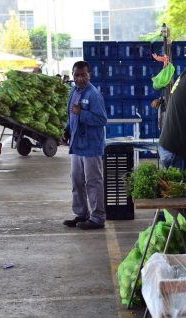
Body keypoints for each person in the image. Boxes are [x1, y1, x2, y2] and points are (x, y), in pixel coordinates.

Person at [61, 61, 108, 230]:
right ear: (73, 76)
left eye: (83, 75)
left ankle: (97, 218)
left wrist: (83, 113)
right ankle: (81, 214)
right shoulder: (73, 92)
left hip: (91, 147)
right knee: (77, 181)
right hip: (77, 146)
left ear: (89, 75)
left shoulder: (94, 94)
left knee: (93, 182)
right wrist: (66, 131)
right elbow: (71, 116)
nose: (80, 78)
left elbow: (102, 120)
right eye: (76, 75)